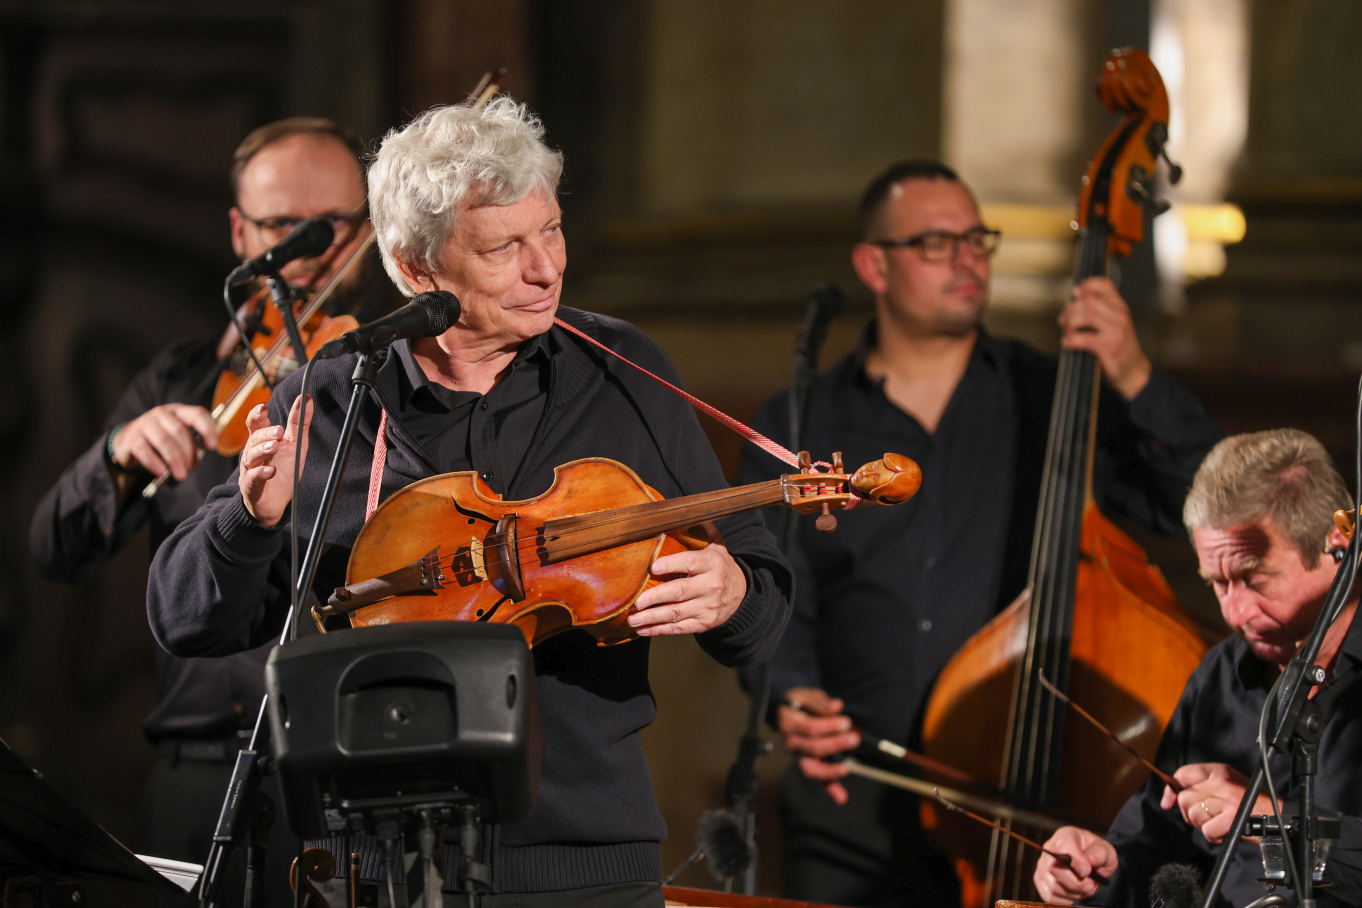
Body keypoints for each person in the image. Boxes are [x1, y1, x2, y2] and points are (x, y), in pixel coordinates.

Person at [145, 97, 793, 908]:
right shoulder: (333, 398)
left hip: (583, 870)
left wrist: (732, 592)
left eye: (551, 229)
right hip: (370, 874)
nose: (545, 268)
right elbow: (185, 619)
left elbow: (762, 611)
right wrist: (252, 519)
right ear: (415, 267)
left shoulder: (624, 373)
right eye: (503, 247)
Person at [736, 160, 1223, 907]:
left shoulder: (1052, 396)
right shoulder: (799, 419)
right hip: (850, 802)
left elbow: (1205, 504)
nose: (967, 259)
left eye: (977, 238)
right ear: (873, 265)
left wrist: (1133, 376)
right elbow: (766, 583)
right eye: (937, 243)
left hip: (1036, 806)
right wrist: (791, 693)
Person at [29, 117, 390, 904]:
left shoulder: (393, 375)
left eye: (332, 226)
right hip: (196, 778)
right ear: (239, 233)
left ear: (368, 228)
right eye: (281, 228)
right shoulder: (185, 378)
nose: (309, 253)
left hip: (349, 772)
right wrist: (118, 451)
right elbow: (54, 547)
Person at [1033, 429, 1362, 908]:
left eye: (1254, 578)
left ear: (1338, 546)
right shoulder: (1222, 672)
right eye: (1218, 584)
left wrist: (1267, 818)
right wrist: (1102, 866)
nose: (1235, 613)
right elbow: (1158, 843)